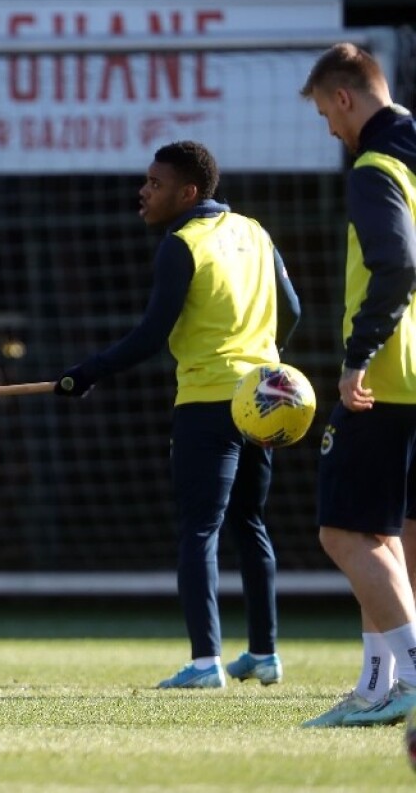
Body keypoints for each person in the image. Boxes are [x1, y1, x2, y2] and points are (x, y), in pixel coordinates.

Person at [54, 140, 300, 690]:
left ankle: (205, 661)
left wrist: (86, 372)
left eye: (155, 184)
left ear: (188, 193)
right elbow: (297, 309)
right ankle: (264, 653)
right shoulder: (255, 231)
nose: (143, 192)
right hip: (261, 401)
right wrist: (266, 360)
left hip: (208, 404)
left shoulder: (182, 243)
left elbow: (150, 336)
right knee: (250, 526)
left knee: (199, 531)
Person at [297, 42, 416, 728]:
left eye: (325, 114)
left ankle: (410, 677)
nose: (331, 130)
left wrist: (358, 354)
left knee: (344, 532)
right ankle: (377, 684)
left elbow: (396, 267)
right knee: (386, 535)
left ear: (346, 97)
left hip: (389, 375)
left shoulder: (376, 166)